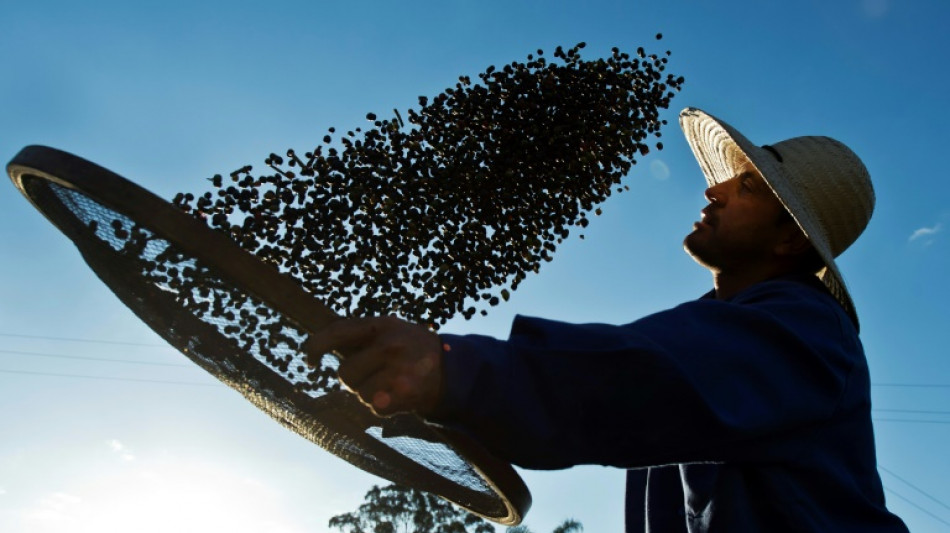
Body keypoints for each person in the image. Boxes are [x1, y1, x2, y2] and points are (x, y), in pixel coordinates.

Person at [305, 107, 909, 532]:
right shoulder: (702, 328)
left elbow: (638, 382)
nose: (714, 191)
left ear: (788, 243)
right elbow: (614, 403)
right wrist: (441, 402)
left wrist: (451, 373)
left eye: (747, 186)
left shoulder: (805, 330)